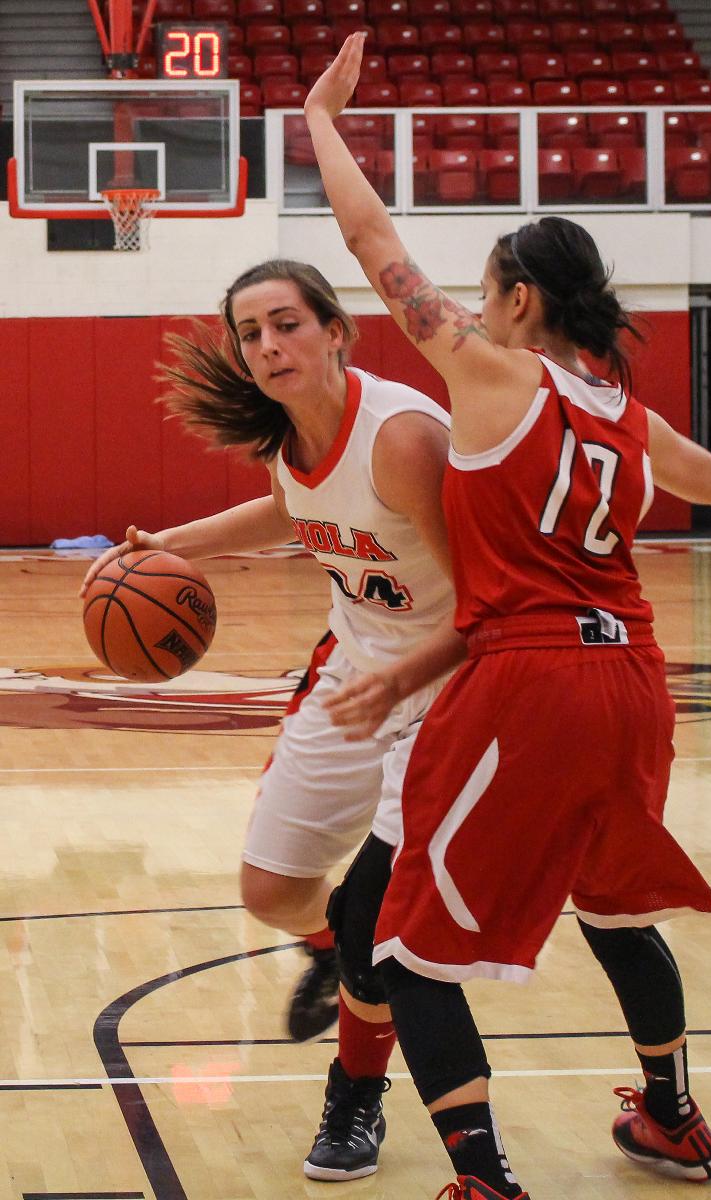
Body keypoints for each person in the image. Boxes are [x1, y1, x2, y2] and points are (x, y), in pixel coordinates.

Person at [303, 35, 711, 1200]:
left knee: (401, 944)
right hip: (635, 680)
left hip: (530, 677)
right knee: (611, 908)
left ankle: (483, 1179)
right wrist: (619, 424)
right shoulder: (619, 409)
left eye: (488, 292)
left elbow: (370, 244)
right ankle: (670, 1118)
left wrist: (321, 121)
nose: (472, 311)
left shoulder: (498, 377)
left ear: (517, 299)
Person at [81, 257, 465, 1180]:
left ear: (338, 331)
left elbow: (491, 597)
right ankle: (341, 956)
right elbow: (291, 509)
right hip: (353, 673)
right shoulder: (291, 437)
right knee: (269, 889)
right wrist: (167, 546)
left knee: (382, 932)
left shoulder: (405, 437)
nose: (268, 345)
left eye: (287, 323)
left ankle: (356, 1098)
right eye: (251, 333)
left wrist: (415, 676)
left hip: (449, 686)